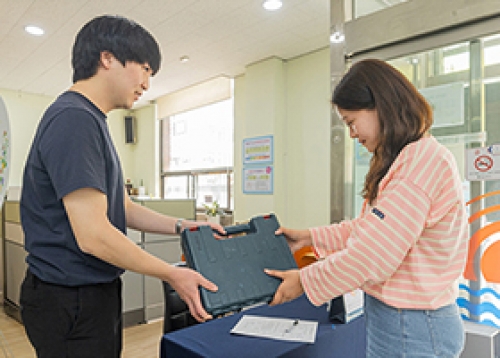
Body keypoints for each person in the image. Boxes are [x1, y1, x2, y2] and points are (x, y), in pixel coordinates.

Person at [19, 15, 223, 358]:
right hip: (69, 298)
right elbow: (93, 234)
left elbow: (122, 208)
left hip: (90, 293)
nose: (147, 83)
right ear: (107, 57)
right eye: (144, 68)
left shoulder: (92, 120)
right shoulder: (74, 119)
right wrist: (172, 273)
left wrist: (185, 225)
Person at [265, 59, 468, 357]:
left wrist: (304, 281)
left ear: (381, 106)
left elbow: (374, 255)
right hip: (402, 321)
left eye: (351, 122)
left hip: (413, 325)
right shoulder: (407, 160)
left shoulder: (421, 163)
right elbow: (369, 230)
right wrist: (309, 237)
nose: (352, 134)